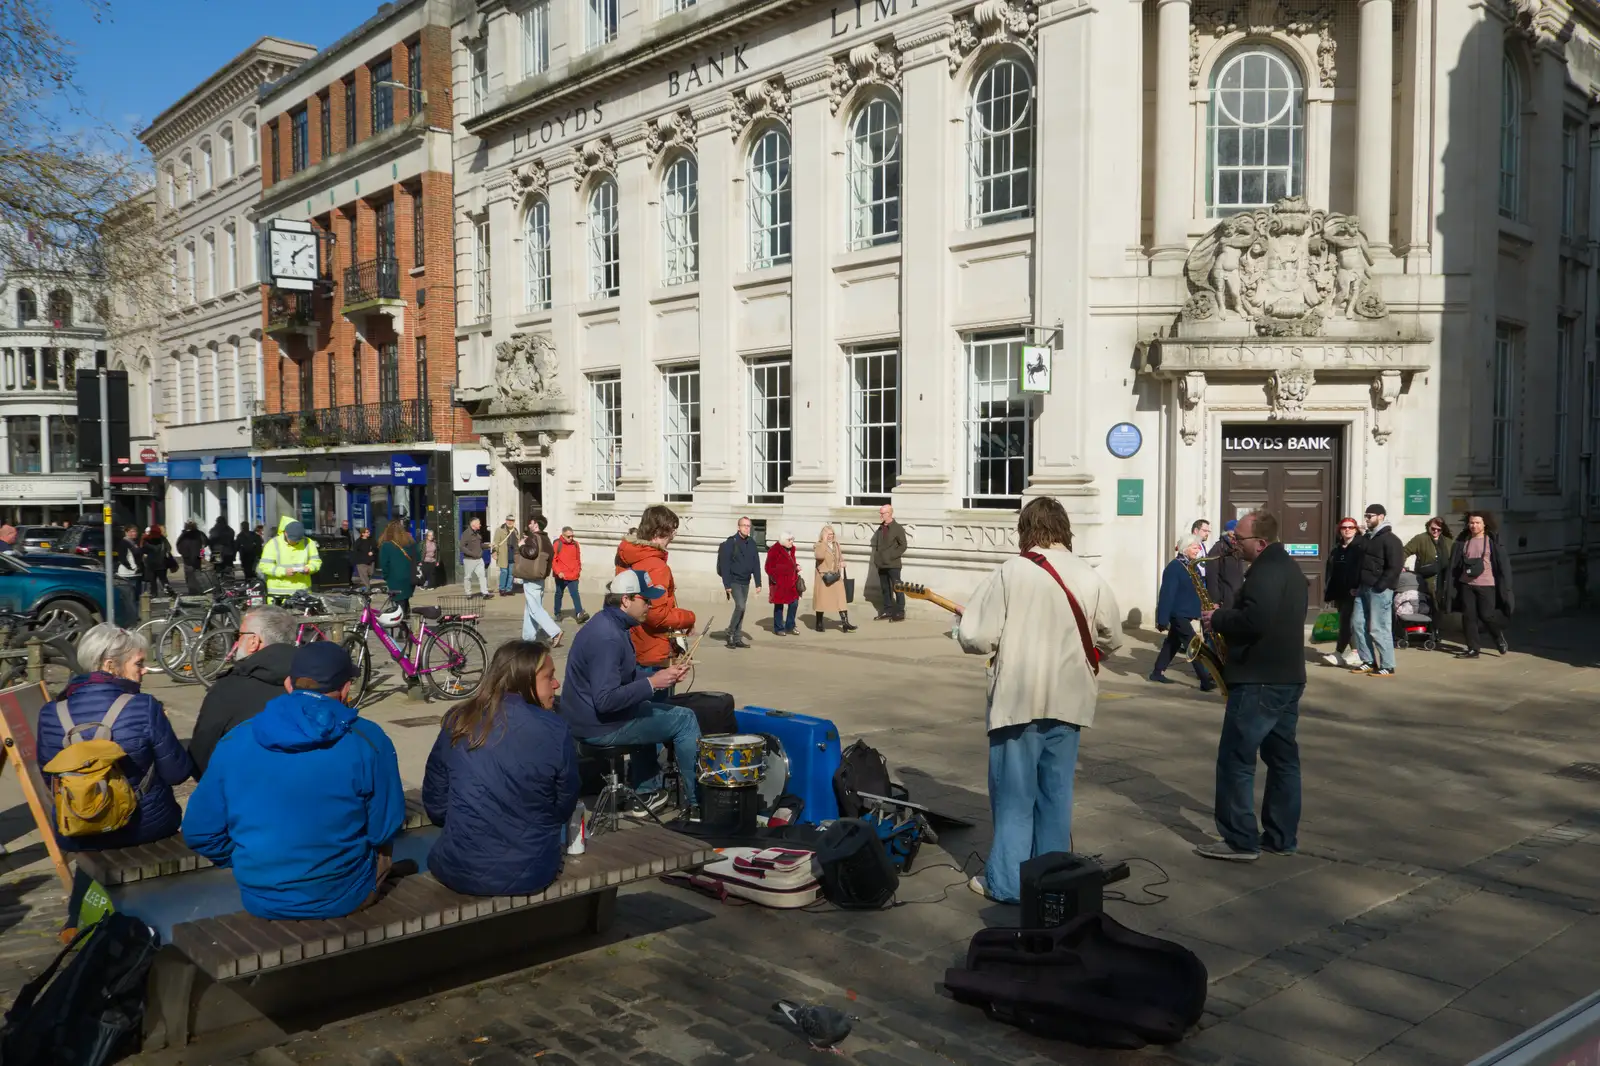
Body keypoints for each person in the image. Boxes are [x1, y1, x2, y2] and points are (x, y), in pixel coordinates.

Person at [956, 497, 1123, 903]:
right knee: (1055, 795)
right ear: (1065, 529)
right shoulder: (1089, 574)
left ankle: (1009, 884)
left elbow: (977, 637)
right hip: (1069, 700)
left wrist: (965, 622)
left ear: (1025, 530)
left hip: (1019, 699)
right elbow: (1112, 638)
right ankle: (1052, 881)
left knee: (1014, 799)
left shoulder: (1012, 571)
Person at [181, 642, 406, 920]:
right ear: (347, 688)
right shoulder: (369, 739)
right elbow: (384, 828)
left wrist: (246, 861)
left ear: (288, 684)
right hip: (342, 894)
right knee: (383, 844)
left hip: (261, 895)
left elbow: (199, 832)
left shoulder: (236, 739)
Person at [423, 641, 579, 897]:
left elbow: (436, 804)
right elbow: (564, 804)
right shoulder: (555, 729)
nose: (556, 684)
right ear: (523, 680)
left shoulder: (459, 719)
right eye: (549, 677)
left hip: (457, 867)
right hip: (531, 869)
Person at [1196, 511, 1308, 862]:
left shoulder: (1265, 571)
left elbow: (1255, 620)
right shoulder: (1289, 568)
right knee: (1283, 760)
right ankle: (1280, 836)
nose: (1234, 544)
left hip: (1259, 679)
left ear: (1260, 542)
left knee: (1236, 759)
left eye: (1239, 539)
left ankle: (1239, 840)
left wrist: (1218, 618)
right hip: (1287, 677)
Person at [36, 624, 193, 849]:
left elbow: (50, 778)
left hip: (77, 828)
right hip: (144, 825)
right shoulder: (144, 706)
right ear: (110, 666)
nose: (145, 670)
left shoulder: (51, 712)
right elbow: (177, 773)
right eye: (138, 663)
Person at [558, 570, 697, 815]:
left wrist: (662, 678)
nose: (650, 606)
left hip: (589, 718)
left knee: (649, 709)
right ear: (626, 600)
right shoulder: (608, 638)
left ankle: (646, 793)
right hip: (597, 726)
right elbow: (606, 700)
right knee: (685, 720)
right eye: (645, 600)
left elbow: (622, 677)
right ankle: (698, 804)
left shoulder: (609, 623)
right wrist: (652, 684)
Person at [188, 606, 299, 777]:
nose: (237, 642)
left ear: (254, 641)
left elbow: (201, 753)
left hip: (242, 789)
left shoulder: (229, 689)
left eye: (239, 635)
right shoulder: (315, 681)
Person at [614, 505, 696, 670]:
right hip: (651, 650)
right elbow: (656, 615)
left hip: (629, 643)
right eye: (672, 531)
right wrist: (689, 618)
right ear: (659, 532)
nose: (673, 537)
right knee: (655, 694)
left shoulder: (629, 555)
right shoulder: (655, 565)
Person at [1150, 534, 1216, 690]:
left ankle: (1157, 672)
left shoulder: (1190, 565)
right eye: (1194, 547)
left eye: (1198, 547)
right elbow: (1167, 594)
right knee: (1194, 646)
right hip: (1177, 614)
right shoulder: (1174, 567)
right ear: (1185, 549)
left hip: (1185, 612)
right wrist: (1162, 619)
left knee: (1172, 643)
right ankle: (1205, 681)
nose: (1198, 549)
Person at [1446, 511, 1513, 659]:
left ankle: (1498, 637)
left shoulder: (1491, 541)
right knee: (1469, 617)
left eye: (1477, 523)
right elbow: (1455, 563)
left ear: (1484, 524)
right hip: (1466, 583)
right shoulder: (1463, 541)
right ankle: (1473, 648)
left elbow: (1502, 565)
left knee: (1487, 615)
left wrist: (1506, 585)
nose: (1474, 526)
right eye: (1471, 523)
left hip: (1486, 584)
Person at [1350, 504, 1404, 677]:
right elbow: (1358, 560)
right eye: (1365, 515)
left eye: (1370, 516)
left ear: (1381, 516)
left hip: (1380, 590)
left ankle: (1388, 665)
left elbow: (1395, 567)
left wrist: (1382, 585)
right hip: (1363, 588)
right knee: (1358, 624)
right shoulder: (1367, 538)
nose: (1366, 519)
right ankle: (1368, 661)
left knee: (1378, 628)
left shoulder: (1391, 539)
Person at [1321, 517, 1365, 668]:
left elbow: (1363, 570)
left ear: (1356, 529)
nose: (1347, 530)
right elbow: (1330, 571)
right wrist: (1328, 591)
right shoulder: (1337, 549)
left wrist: (1359, 586)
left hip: (1355, 592)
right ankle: (1350, 652)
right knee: (1344, 621)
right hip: (1340, 591)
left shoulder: (1360, 547)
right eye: (1344, 527)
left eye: (1351, 527)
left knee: (1350, 622)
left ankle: (1348, 652)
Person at [716, 517, 762, 649]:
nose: (747, 528)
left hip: (745, 581)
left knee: (742, 609)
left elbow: (756, 564)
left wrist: (758, 583)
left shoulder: (752, 543)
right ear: (738, 527)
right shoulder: (731, 542)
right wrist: (727, 585)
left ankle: (737, 638)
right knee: (740, 606)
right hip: (734, 581)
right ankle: (730, 633)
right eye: (744, 526)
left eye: (749, 526)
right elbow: (725, 565)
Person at [516, 514, 561, 647]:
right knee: (530, 607)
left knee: (535, 608)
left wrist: (521, 545)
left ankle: (555, 631)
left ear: (535, 524)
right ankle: (528, 637)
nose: (529, 525)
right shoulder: (545, 538)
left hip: (531, 577)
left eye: (530, 523)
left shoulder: (534, 537)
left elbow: (531, 553)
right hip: (539, 577)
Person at [259, 517, 322, 599]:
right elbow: (264, 566)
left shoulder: (309, 542)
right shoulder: (273, 544)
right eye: (292, 539)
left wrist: (309, 568)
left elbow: (316, 562)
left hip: (302, 593)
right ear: (285, 533)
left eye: (298, 540)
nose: (295, 542)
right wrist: (284, 571)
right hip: (278, 594)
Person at [1404, 516, 1455, 617]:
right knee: (1427, 605)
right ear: (1428, 527)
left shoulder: (1448, 542)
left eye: (1439, 529)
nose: (1435, 531)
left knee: (1440, 607)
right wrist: (1401, 565)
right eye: (1433, 528)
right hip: (1425, 579)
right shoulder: (1420, 539)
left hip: (1443, 580)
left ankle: (1437, 628)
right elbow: (1405, 551)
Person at [812, 525, 855, 633]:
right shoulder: (819, 545)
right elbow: (819, 557)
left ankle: (845, 623)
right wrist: (824, 543)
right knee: (821, 601)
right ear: (824, 535)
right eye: (828, 534)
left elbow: (840, 557)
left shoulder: (836, 545)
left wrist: (842, 562)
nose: (831, 536)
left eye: (832, 534)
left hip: (836, 575)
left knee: (841, 599)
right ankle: (819, 623)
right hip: (824, 576)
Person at [869, 504, 907, 622]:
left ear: (889, 514)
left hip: (893, 564)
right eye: (880, 513)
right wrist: (877, 559)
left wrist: (891, 556)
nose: (880, 516)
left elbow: (903, 545)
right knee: (885, 588)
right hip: (881, 564)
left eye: (882, 513)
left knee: (898, 588)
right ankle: (887, 610)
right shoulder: (880, 529)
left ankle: (900, 612)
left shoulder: (897, 528)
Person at [378, 519, 420, 615]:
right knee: (405, 600)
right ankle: (407, 623)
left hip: (395, 579)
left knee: (399, 606)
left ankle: (403, 625)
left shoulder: (386, 545)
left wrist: (386, 576)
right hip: (410, 577)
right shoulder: (410, 542)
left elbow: (384, 565)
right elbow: (418, 558)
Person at [1205, 520, 1247, 611]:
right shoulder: (1218, 549)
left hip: (1236, 600)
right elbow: (1212, 577)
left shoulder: (1236, 550)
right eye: (1235, 535)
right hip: (1224, 601)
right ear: (1228, 534)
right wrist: (1215, 601)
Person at [765, 533, 802, 636]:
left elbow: (792, 563)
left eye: (792, 540)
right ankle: (779, 628)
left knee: (794, 603)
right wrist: (775, 578)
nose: (792, 542)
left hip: (791, 582)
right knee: (779, 605)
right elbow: (768, 567)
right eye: (790, 540)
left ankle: (790, 625)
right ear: (784, 541)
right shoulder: (774, 550)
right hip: (779, 583)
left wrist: (797, 566)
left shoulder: (792, 549)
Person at [552, 526, 589, 623]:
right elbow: (553, 560)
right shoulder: (557, 544)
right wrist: (558, 571)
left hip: (573, 575)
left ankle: (579, 613)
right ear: (563, 535)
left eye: (572, 536)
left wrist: (578, 570)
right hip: (561, 575)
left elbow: (578, 558)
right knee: (559, 594)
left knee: (575, 594)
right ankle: (557, 613)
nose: (571, 538)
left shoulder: (575, 544)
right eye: (568, 536)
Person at [141, 524, 176, 597]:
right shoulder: (163, 539)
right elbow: (169, 548)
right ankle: (169, 593)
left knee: (152, 581)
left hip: (151, 564)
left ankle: (154, 594)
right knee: (164, 580)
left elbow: (143, 550)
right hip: (162, 563)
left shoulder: (146, 540)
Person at [115, 525, 144, 606]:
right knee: (130, 596)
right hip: (128, 573)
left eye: (135, 531)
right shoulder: (124, 543)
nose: (134, 533)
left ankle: (136, 615)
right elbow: (123, 558)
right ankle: (132, 615)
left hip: (137, 573)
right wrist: (132, 568)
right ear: (126, 532)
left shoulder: (134, 543)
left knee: (136, 596)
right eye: (131, 531)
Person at [460, 518, 489, 597]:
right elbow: (462, 547)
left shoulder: (477, 533)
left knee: (482, 576)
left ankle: (485, 593)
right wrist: (472, 554)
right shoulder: (466, 533)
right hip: (469, 560)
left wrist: (488, 546)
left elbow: (480, 545)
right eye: (479, 523)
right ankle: (468, 593)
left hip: (479, 559)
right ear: (473, 524)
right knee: (468, 577)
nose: (480, 525)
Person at [492, 515, 520, 597]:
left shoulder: (515, 531)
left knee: (511, 573)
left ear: (514, 521)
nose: (510, 522)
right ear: (506, 520)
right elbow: (496, 542)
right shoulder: (499, 530)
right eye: (508, 520)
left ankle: (509, 589)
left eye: (512, 520)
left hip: (513, 554)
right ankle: (502, 589)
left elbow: (517, 542)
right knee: (504, 572)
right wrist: (494, 552)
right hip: (503, 554)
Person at [176, 519, 207, 589]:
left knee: (189, 574)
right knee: (197, 573)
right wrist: (202, 555)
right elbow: (204, 544)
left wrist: (183, 553)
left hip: (187, 558)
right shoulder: (199, 534)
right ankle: (199, 589)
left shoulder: (183, 535)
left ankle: (192, 589)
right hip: (197, 557)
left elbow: (178, 545)